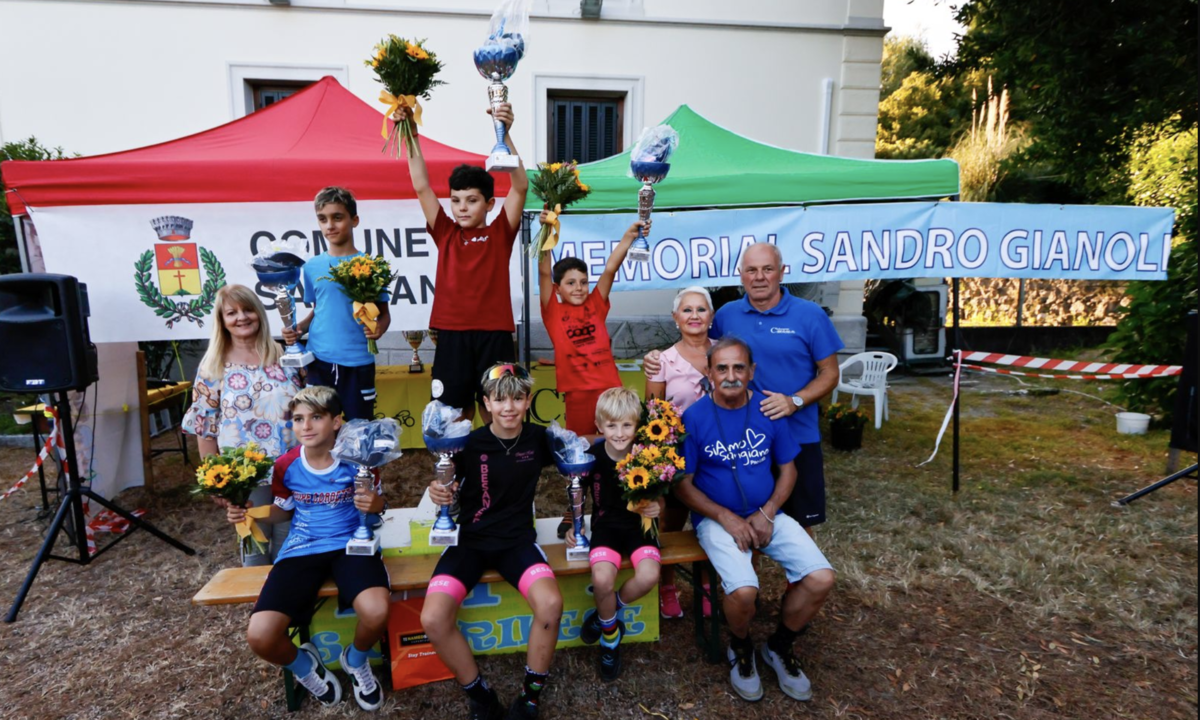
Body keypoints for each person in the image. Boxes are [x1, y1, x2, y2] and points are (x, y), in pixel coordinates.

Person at [675, 337, 835, 703]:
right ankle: (741, 646)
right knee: (744, 590)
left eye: (739, 367)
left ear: (752, 371)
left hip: (768, 513)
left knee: (821, 578)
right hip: (717, 520)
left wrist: (769, 512)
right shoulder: (694, 417)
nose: (731, 376)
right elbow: (682, 485)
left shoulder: (768, 409)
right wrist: (726, 518)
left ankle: (779, 646)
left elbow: (789, 470)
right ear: (709, 373)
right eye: (722, 368)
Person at [645, 243, 843, 536]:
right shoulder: (727, 315)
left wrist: (795, 401)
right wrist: (657, 357)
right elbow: (699, 345)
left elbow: (831, 373)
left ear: (782, 273)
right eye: (751, 270)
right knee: (739, 515)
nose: (759, 277)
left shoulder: (810, 315)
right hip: (741, 441)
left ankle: (799, 567)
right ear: (741, 275)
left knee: (799, 523)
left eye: (767, 269)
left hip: (797, 432)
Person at [227, 386, 390, 712]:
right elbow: (283, 511)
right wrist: (250, 513)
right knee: (260, 636)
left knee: (377, 612)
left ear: (336, 422)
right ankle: (305, 666)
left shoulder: (359, 459)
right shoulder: (286, 464)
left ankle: (356, 659)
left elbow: (378, 505)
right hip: (302, 547)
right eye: (299, 419)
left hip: (351, 545)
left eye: (316, 417)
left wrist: (376, 504)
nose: (306, 426)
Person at [422, 363, 563, 720]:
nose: (509, 408)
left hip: (516, 543)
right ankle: (481, 695)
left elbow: (586, 459)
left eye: (517, 399)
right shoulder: (467, 443)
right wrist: (439, 491)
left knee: (550, 604)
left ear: (528, 400)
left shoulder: (540, 438)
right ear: (486, 403)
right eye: (500, 400)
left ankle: (529, 698)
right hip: (470, 541)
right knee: (433, 618)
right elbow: (445, 485)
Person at [399, 102, 528, 424]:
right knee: (453, 413)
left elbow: (520, 186)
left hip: (494, 335)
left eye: (471, 200)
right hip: (452, 336)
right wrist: (410, 132)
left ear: (489, 203)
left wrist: (505, 135)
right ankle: (454, 459)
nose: (462, 208)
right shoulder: (445, 231)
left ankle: (497, 457)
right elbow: (421, 186)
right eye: (456, 201)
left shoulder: (500, 232)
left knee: (497, 409)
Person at [539, 213, 648, 537]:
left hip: (609, 391)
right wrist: (547, 230)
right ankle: (573, 509)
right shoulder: (552, 310)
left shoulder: (597, 303)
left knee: (621, 448)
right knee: (580, 453)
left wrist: (629, 237)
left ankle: (629, 504)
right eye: (571, 283)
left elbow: (611, 268)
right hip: (577, 394)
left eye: (583, 282)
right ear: (558, 288)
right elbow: (543, 271)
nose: (579, 288)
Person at [183, 283, 303, 565]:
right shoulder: (213, 365)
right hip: (247, 476)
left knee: (290, 549)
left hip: (292, 471)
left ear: (259, 312)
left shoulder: (284, 356)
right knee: (255, 552)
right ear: (222, 321)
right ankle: (259, 594)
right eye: (232, 313)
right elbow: (205, 426)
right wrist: (216, 480)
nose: (241, 317)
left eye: (248, 309)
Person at [568, 386, 663, 682]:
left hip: (640, 528)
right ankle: (610, 638)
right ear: (599, 425)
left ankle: (606, 612)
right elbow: (577, 495)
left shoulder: (648, 455)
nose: (620, 433)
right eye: (611, 426)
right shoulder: (592, 456)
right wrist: (574, 526)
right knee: (601, 580)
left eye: (626, 425)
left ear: (637, 425)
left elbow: (660, 494)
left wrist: (657, 506)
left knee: (648, 576)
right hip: (606, 527)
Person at [282, 186, 391, 421]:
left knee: (359, 427)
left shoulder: (371, 265)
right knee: (320, 426)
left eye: (337, 217)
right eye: (323, 219)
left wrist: (379, 328)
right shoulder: (311, 267)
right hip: (319, 360)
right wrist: (298, 328)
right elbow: (318, 310)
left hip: (358, 361)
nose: (330, 225)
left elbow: (384, 314)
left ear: (355, 220)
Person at [643, 285, 715, 618]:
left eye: (701, 309)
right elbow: (654, 415)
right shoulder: (662, 360)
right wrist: (659, 464)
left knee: (712, 523)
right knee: (671, 525)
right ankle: (668, 587)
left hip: (719, 455)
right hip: (677, 457)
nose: (694, 315)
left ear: (711, 316)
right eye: (687, 309)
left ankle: (707, 586)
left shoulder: (725, 353)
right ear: (675, 317)